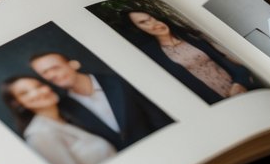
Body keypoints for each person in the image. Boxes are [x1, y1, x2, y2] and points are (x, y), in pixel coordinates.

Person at [28, 51, 171, 150]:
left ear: (74, 64)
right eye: (45, 73)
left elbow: (158, 117)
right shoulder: (63, 108)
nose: (52, 75)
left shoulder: (120, 81)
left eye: (55, 68)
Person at [121, 8, 255, 104]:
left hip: (243, 92)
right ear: (137, 29)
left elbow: (231, 63)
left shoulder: (192, 38)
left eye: (151, 18)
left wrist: (239, 83)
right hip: (216, 104)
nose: (154, 23)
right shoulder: (152, 56)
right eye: (144, 22)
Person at [0, 76, 116, 164]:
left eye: (39, 86)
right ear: (17, 103)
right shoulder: (40, 135)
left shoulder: (69, 120)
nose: (37, 92)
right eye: (24, 93)